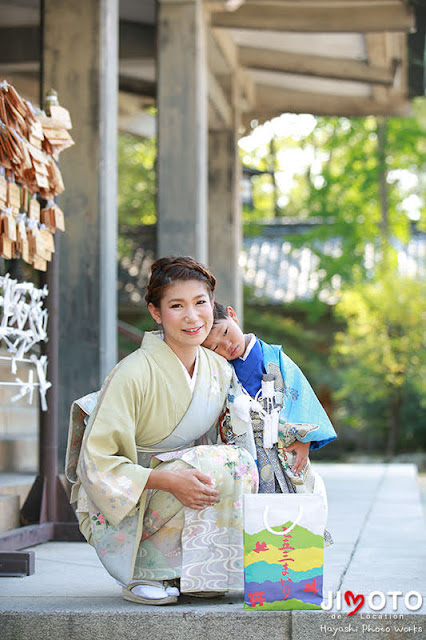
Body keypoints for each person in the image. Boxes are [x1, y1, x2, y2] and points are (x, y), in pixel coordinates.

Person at [65, 258, 258, 606]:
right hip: (129, 497)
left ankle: (200, 571)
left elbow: (234, 430)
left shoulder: (217, 367)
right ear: (156, 313)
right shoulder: (133, 372)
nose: (193, 316)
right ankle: (146, 571)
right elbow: (95, 463)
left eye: (200, 303)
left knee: (241, 462)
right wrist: (166, 479)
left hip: (182, 475)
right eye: (176, 306)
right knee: (217, 464)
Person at [202, 303, 337, 503]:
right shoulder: (219, 369)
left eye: (225, 332)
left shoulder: (275, 357)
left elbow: (299, 395)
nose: (227, 345)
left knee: (294, 504)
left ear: (232, 315)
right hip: (242, 450)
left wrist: (304, 439)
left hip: (281, 443)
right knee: (247, 509)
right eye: (215, 347)